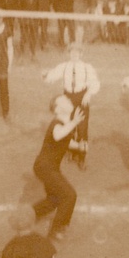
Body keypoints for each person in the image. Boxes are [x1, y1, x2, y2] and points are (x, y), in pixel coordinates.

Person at [31, 95, 86, 240]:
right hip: (45, 167)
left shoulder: (65, 123)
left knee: (55, 199)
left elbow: (64, 141)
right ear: (57, 109)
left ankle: (31, 214)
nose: (69, 101)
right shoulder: (57, 123)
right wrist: (74, 122)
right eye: (65, 101)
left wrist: (78, 146)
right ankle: (57, 230)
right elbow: (57, 135)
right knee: (69, 195)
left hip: (48, 167)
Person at [41, 43, 101, 170]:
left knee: (82, 128)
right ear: (69, 54)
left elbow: (95, 82)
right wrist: (46, 74)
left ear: (81, 54)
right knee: (68, 126)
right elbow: (52, 76)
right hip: (67, 98)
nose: (74, 55)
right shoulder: (63, 67)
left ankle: (82, 157)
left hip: (82, 98)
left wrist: (88, 93)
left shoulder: (86, 67)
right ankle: (70, 152)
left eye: (77, 53)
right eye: (72, 53)